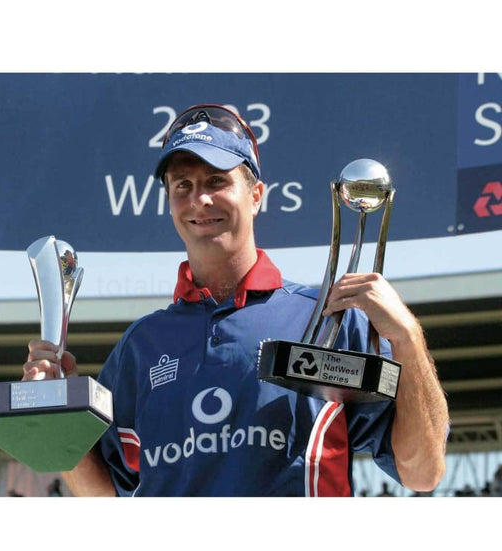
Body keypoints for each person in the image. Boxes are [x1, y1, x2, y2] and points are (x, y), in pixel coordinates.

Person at [23, 104, 449, 496]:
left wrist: (408, 339)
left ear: (257, 195)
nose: (199, 199)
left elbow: (422, 473)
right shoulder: (141, 346)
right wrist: (60, 416)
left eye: (216, 180)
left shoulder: (329, 319)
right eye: (182, 185)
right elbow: (108, 497)